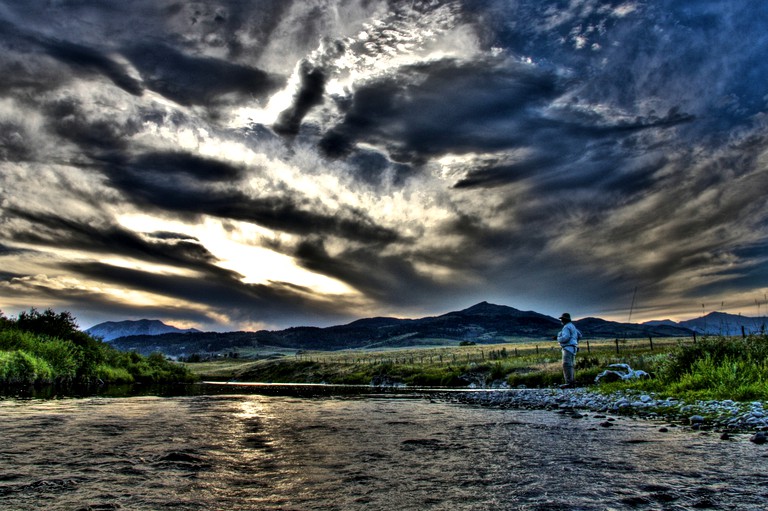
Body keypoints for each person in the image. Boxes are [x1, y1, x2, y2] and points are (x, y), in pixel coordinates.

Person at [555, 313, 581, 389]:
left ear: (564, 320)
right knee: (571, 365)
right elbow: (579, 335)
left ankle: (569, 383)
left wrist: (558, 338)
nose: (561, 321)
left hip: (567, 348)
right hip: (573, 348)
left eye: (562, 319)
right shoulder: (573, 326)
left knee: (566, 365)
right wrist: (575, 342)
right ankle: (572, 382)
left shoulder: (566, 327)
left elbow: (566, 337)